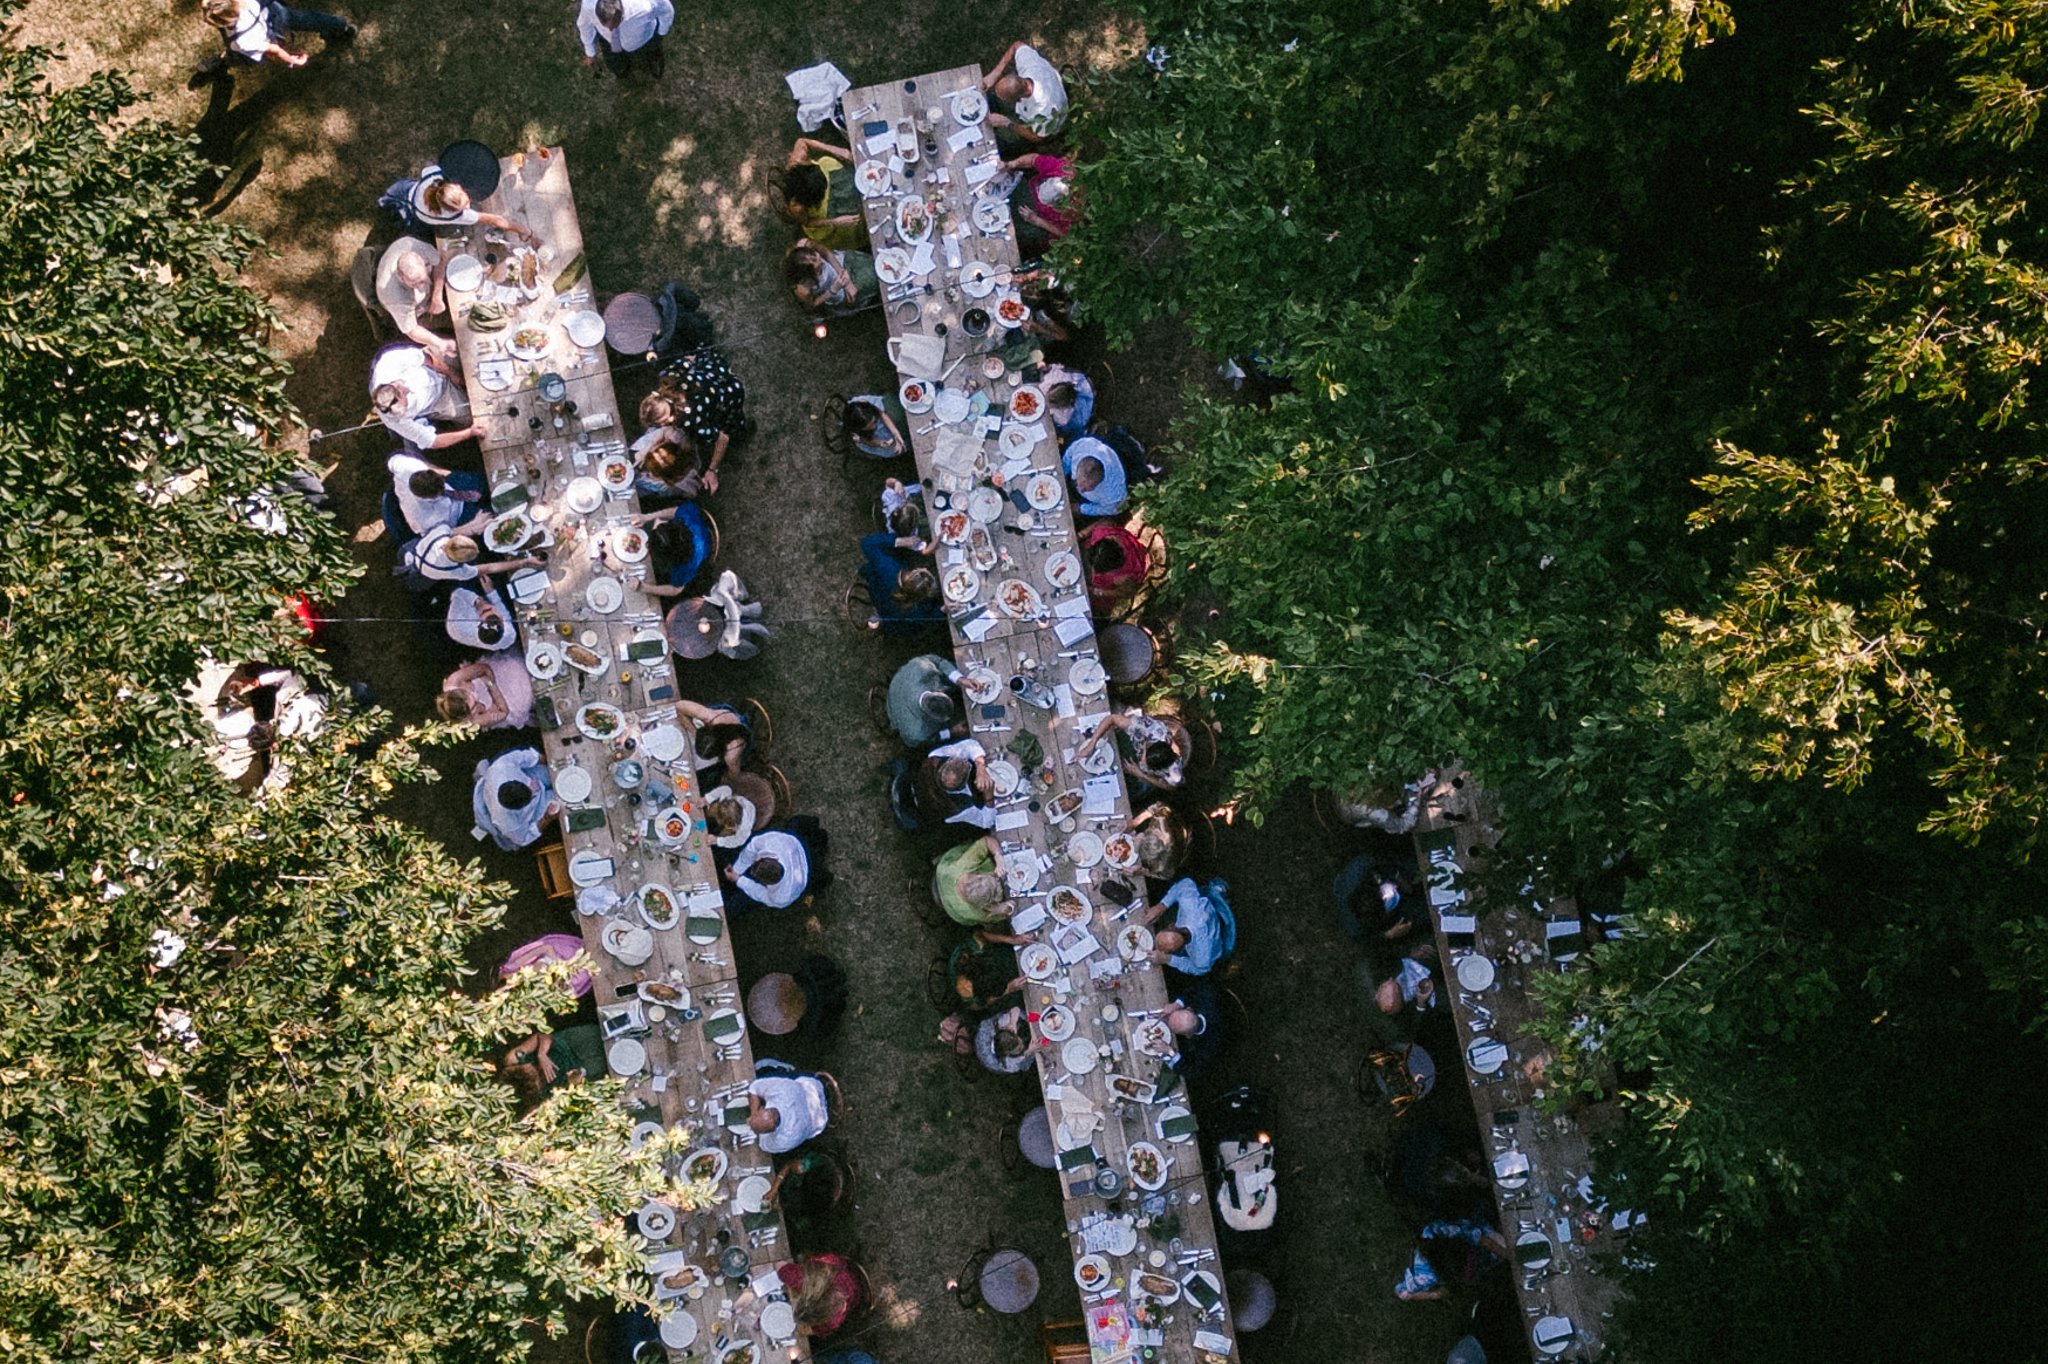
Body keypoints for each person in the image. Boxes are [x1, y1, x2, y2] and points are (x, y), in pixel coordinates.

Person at [645, 348, 749, 493]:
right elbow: (689, 359)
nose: (662, 426)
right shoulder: (668, 379)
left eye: (662, 423)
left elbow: (723, 437)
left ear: (669, 416)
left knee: (733, 424)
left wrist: (712, 469)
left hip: (728, 396)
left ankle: (744, 431)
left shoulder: (693, 421)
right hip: (713, 373)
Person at [369, 342, 480, 450]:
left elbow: (424, 357)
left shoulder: (388, 364)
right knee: (474, 416)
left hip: (434, 367)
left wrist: (451, 373)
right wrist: (470, 433)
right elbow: (433, 441)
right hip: (439, 400)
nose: (408, 391)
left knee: (467, 352)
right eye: (407, 403)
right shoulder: (395, 420)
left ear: (395, 385)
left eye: (404, 393)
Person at [200, 0, 353, 71]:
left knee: (237, 56)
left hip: (267, 33)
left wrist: (292, 61)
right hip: (275, 12)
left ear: (223, 22)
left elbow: (274, 49)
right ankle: (342, 27)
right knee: (306, 19)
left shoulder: (242, 41)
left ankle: (224, 60)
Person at [932, 835, 1030, 940]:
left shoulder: (965, 864)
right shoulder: (976, 912)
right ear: (985, 904)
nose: (998, 879)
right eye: (995, 890)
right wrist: (1002, 908)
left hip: (944, 871)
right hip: (953, 907)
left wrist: (998, 856)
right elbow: (1009, 910)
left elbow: (987, 841)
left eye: (994, 878)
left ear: (977, 873)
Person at [779, 137, 867, 251]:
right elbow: (808, 222)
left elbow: (802, 141)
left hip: (828, 174)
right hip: (822, 214)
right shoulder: (797, 207)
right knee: (851, 220)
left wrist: (834, 149)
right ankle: (862, 235)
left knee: (851, 185)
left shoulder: (797, 161)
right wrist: (835, 222)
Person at [402, 168, 538, 240]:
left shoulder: (432, 176)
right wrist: (525, 231)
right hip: (416, 213)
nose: (467, 207)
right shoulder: (455, 216)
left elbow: (426, 169)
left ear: (457, 187)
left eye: (466, 201)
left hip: (408, 191)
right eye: (462, 207)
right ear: (450, 210)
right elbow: (495, 220)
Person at [725, 817, 830, 909]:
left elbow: (760, 893)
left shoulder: (781, 897)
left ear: (766, 884)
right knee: (796, 822)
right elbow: (751, 849)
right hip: (795, 844)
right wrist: (736, 869)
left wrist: (739, 880)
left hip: (806, 869)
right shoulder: (772, 843)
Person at [375, 238, 454, 360]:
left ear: (422, 260)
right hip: (416, 312)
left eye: (423, 279)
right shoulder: (394, 296)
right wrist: (440, 343)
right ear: (400, 276)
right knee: (455, 327)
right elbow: (411, 330)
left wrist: (437, 296)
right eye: (415, 284)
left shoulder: (413, 245)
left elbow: (439, 262)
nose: (421, 287)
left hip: (431, 298)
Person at [982, 40, 1069, 148]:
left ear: (1017, 99)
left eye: (1004, 99)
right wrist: (995, 74)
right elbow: (1017, 45)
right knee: (989, 97)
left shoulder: (1044, 112)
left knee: (999, 140)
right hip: (1030, 104)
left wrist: (1008, 123)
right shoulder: (1029, 66)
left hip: (1036, 126)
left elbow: (1037, 137)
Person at [1079, 707, 1188, 792]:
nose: (1142, 761)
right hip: (1134, 745)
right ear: (1149, 744)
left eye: (1145, 762)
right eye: (1144, 758)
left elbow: (1170, 787)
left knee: (1124, 788)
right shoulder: (1145, 727)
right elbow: (1112, 718)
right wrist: (1091, 744)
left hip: (1143, 775)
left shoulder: (1174, 770)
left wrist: (1141, 774)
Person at [1143, 877, 1236, 976]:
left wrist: (1168, 959)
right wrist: (1161, 906)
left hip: (1215, 939)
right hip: (1206, 914)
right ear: (1172, 926)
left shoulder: (1202, 957)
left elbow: (1200, 970)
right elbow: (1186, 883)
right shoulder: (1189, 906)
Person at [499, 1024, 606, 1108]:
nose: (538, 1069)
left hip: (568, 1044)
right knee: (603, 1065)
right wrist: (572, 1081)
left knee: (601, 1033)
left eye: (533, 1069)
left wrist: (542, 1054)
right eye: (538, 1076)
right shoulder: (536, 1093)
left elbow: (542, 1037)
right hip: (577, 1067)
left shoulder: (513, 1060)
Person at [404, 523, 545, 587]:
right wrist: (525, 561)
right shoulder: (457, 572)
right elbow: (489, 568)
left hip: (411, 550)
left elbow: (455, 531)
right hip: (420, 575)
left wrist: (477, 524)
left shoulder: (441, 532)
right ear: (460, 562)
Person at [471, 746, 558, 850]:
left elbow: (529, 757)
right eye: (530, 797)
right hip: (535, 809)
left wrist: (551, 762)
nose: (534, 791)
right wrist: (547, 818)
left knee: (559, 771)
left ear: (512, 781)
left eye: (528, 790)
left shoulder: (502, 767)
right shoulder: (506, 822)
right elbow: (524, 838)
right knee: (567, 801)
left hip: (532, 777)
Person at [1334, 851, 1427, 944]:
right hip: (1399, 910)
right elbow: (1366, 939)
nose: (1387, 896)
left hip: (1388, 874)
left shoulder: (1358, 870)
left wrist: (1397, 876)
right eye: (1385, 900)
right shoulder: (1355, 926)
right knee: (1421, 915)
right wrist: (1389, 934)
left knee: (1418, 867)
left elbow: (1380, 859)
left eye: (1382, 894)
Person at [860, 532, 942, 634]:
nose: (924, 568)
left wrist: (900, 542)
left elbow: (866, 543)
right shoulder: (918, 610)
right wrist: (943, 609)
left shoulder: (888, 568)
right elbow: (929, 619)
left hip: (878, 595)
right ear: (922, 597)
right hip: (892, 619)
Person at [386, 452, 482, 535]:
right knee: (490, 516)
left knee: (483, 480)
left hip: (453, 488)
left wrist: (437, 469)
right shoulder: (423, 521)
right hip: (458, 517)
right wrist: (471, 526)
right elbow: (437, 538)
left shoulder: (406, 467)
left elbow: (393, 458)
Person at [436, 651, 533, 730]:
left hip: (499, 674)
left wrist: (490, 683)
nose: (476, 697)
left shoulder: (455, 680)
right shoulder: (473, 721)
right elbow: (504, 713)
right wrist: (491, 685)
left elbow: (485, 669)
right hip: (509, 700)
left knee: (522, 665)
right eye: (473, 706)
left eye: (469, 695)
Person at [575, 0, 673, 78]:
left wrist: (660, 34)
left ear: (620, 14)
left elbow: (667, 11)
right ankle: (622, 70)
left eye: (613, 25)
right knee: (616, 67)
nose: (610, 29)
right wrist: (590, 52)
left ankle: (653, 58)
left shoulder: (643, 6)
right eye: (605, 25)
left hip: (645, 38)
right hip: (609, 43)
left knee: (653, 50)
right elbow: (584, 25)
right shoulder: (588, 6)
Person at [915, 737, 996, 830]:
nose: (965, 760)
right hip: (937, 810)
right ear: (962, 786)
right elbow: (986, 821)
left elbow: (968, 745)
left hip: (922, 786)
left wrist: (980, 766)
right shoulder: (957, 808)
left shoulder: (935, 757)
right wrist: (989, 796)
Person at [777, 1251, 863, 1338]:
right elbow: (780, 1267)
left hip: (853, 1289)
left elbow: (810, 1330)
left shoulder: (833, 1321)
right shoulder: (800, 1278)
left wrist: (801, 1329)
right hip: (832, 1268)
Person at [1005, 152, 1078, 253]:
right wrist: (1014, 163)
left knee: (1018, 230)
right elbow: (1033, 159)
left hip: (1039, 216)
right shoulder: (1062, 169)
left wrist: (1036, 220)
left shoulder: (1075, 211)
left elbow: (1064, 233)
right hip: (1028, 189)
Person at [886, 653, 961, 748]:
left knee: (951, 673)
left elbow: (937, 661)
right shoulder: (917, 731)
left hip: (901, 683)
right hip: (896, 704)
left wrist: (959, 678)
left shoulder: (921, 668)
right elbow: (925, 741)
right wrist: (951, 732)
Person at [747, 1070, 830, 1154]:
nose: (748, 1121)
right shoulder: (782, 1090)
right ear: (763, 1108)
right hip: (811, 1090)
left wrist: (755, 1117)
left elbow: (762, 1145)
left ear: (772, 1131)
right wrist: (754, 1113)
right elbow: (755, 1086)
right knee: (763, 1068)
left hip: (818, 1119)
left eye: (755, 1130)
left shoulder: (784, 1139)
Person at [785, 240, 878, 314]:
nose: (818, 258)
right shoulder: (802, 289)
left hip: (840, 263)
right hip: (840, 291)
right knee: (873, 276)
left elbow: (826, 253)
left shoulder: (806, 245)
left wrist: (845, 278)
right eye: (814, 263)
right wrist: (833, 289)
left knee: (873, 262)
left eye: (814, 254)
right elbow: (812, 304)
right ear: (807, 273)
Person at [1080, 520, 1148, 617]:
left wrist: (1098, 592)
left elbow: (1127, 593)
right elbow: (1100, 522)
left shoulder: (1126, 576)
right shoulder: (1104, 533)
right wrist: (1081, 534)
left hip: (1098, 589)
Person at [1163, 978, 1224, 1082]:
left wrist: (1170, 1052)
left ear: (1188, 1035)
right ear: (1189, 1009)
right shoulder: (1206, 996)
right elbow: (1196, 988)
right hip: (1219, 1004)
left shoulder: (1209, 1046)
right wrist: (1177, 1004)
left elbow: (1193, 1072)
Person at [674, 698, 750, 778]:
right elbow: (679, 705)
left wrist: (726, 778)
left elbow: (734, 772)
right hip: (721, 717)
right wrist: (694, 732)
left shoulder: (732, 753)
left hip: (742, 731)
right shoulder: (708, 716)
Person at [1063, 434, 1128, 519]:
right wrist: (1062, 473)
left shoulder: (1113, 495)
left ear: (1098, 481)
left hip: (1091, 502)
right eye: (1079, 483)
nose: (1081, 490)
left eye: (1088, 488)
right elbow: (1069, 455)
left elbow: (1111, 509)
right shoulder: (1083, 446)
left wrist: (1081, 508)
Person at [446, 583, 518, 651]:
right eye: (489, 609)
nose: (493, 610)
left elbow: (457, 593)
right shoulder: (509, 636)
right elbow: (506, 617)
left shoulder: (456, 620)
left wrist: (476, 600)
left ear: (478, 625)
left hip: (461, 598)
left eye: (487, 611)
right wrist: (491, 592)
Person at [1126, 802, 1189, 881]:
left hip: (1186, 840)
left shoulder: (1166, 862)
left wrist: (1142, 872)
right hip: (1177, 819)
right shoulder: (1161, 818)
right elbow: (1159, 805)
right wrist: (1135, 822)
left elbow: (1166, 876)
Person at [1039, 363, 1095, 440]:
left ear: (1061, 406)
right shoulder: (1056, 379)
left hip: (1083, 407)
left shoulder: (1065, 417)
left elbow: (1059, 426)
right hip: (1082, 386)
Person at [842, 394, 908, 460]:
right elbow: (865, 440)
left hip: (874, 424)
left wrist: (896, 433)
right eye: (869, 426)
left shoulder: (862, 404)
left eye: (874, 422)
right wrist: (879, 443)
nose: (874, 427)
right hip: (868, 438)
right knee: (894, 450)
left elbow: (881, 413)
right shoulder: (854, 433)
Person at [702, 783, 758, 849]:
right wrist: (706, 799)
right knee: (711, 810)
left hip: (748, 813)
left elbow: (738, 840)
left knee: (723, 835)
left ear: (730, 826)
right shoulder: (726, 798)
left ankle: (717, 838)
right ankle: (707, 816)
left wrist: (718, 840)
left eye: (720, 821)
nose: (718, 821)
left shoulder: (743, 828)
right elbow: (726, 789)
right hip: (735, 804)